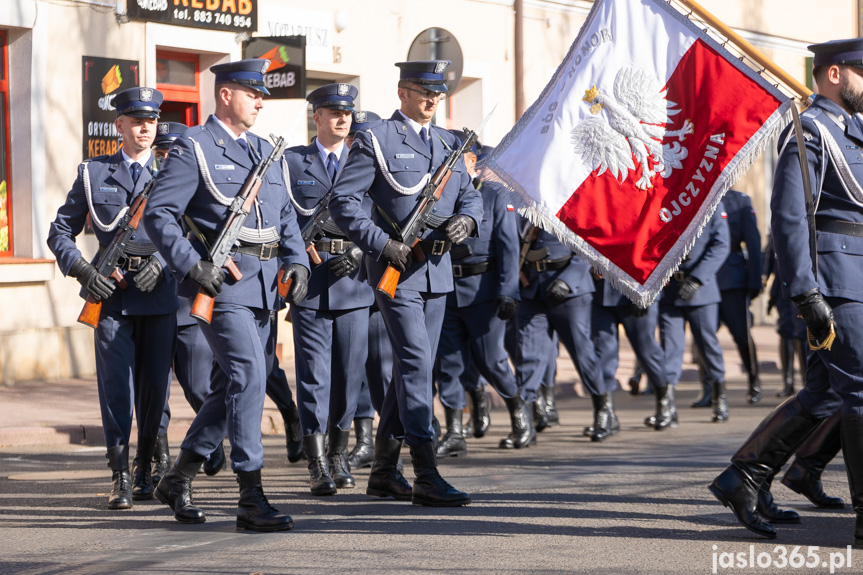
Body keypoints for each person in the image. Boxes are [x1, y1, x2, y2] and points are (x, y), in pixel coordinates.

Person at [143, 59, 309, 532]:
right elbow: (159, 215)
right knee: (250, 375)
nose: (260, 101)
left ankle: (178, 478)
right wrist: (192, 265)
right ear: (224, 95)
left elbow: (287, 218)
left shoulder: (266, 150)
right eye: (251, 92)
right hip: (222, 285)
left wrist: (296, 261)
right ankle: (250, 498)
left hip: (263, 286)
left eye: (263, 95)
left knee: (228, 387)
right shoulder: (193, 147)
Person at [710, 38, 863, 544]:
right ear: (835, 74)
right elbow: (792, 216)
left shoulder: (853, 132)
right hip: (837, 281)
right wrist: (803, 291)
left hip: (857, 276)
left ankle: (746, 476)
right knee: (860, 393)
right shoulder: (810, 129)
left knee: (824, 393)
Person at [328, 59, 482, 507]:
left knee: (412, 368)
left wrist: (467, 222)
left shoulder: (449, 142)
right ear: (402, 92)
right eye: (423, 90)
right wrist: (379, 243)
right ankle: (427, 473)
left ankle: (382, 471)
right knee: (416, 363)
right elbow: (343, 201)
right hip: (398, 270)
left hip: (436, 273)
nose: (433, 99)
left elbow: (471, 197)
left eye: (438, 92)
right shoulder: (376, 138)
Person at [47, 87, 177, 510]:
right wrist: (83, 270)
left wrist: (167, 262)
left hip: (159, 298)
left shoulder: (175, 173)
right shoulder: (94, 173)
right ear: (118, 125)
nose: (145, 127)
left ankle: (146, 470)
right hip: (113, 300)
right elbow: (59, 232)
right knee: (115, 389)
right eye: (136, 120)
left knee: (155, 388)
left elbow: (196, 233)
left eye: (151, 121)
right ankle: (119, 474)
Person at [282, 83, 375, 495]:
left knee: (350, 375)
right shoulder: (291, 163)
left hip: (354, 282)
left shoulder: (368, 160)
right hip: (313, 282)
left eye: (347, 112)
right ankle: (317, 460)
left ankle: (339, 452)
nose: (342, 118)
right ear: (315, 116)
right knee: (314, 377)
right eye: (333, 111)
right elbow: (281, 217)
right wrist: (298, 253)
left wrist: (359, 250)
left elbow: (384, 217)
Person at [434, 140, 532, 456]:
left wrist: (507, 292)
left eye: (455, 159)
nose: (449, 166)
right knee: (449, 364)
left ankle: (521, 418)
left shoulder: (495, 194)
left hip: (483, 290)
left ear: (472, 160)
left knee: (491, 360)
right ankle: (454, 431)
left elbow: (508, 247)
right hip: (447, 289)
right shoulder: (438, 197)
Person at [515, 225, 609, 441]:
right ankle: (524, 422)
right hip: (532, 288)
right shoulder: (522, 199)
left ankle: (603, 411)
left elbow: (589, 241)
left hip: (569, 291)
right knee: (528, 354)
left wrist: (568, 280)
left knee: (582, 353)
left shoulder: (568, 198)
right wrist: (517, 269)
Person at [658, 205, 730, 423]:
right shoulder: (661, 202)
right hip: (669, 288)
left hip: (700, 291)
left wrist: (697, 278)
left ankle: (719, 398)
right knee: (670, 349)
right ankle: (666, 406)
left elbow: (721, 245)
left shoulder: (711, 200)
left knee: (707, 347)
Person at [695, 190, 763, 405]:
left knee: (741, 335)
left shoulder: (739, 201)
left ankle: (753, 381)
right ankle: (708, 389)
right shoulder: (695, 195)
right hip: (702, 279)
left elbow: (753, 242)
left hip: (731, 280)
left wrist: (754, 281)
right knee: (703, 337)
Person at [591, 275, 674, 432]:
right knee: (602, 354)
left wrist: (647, 290)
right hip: (601, 291)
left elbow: (656, 252)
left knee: (646, 351)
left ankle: (665, 405)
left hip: (637, 289)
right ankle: (607, 414)